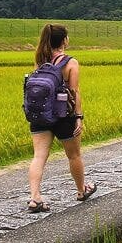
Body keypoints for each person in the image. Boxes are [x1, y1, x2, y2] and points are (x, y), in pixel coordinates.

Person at [27, 23, 96, 213]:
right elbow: (74, 92)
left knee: (39, 156)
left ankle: (35, 198)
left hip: (40, 115)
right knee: (74, 155)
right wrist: (79, 117)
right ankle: (82, 191)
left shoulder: (40, 60)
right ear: (64, 40)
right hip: (64, 115)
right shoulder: (70, 62)